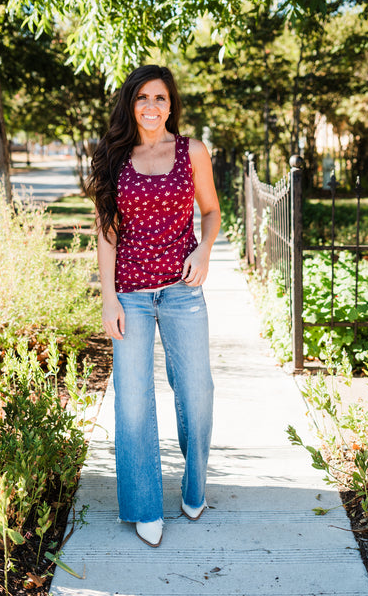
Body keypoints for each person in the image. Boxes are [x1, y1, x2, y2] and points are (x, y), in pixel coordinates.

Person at [87, 65, 221, 547]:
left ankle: (195, 485)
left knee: (197, 390)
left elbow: (210, 210)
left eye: (160, 98)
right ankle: (144, 505)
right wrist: (108, 300)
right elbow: (106, 233)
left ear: (171, 104)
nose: (151, 106)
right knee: (133, 399)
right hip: (132, 296)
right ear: (130, 103)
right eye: (143, 97)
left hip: (183, 292)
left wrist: (203, 249)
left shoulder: (192, 152)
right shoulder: (113, 156)